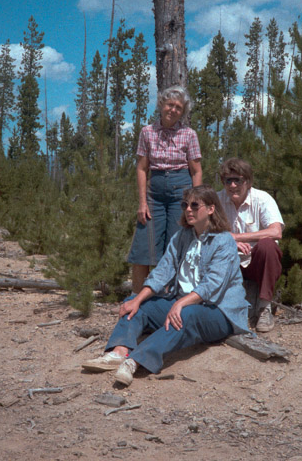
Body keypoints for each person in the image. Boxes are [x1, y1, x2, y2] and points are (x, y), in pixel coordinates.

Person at [83, 185, 249, 387]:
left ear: (211, 209)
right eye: (185, 205)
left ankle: (134, 361)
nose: (188, 209)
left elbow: (212, 285)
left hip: (219, 312)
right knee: (135, 304)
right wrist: (137, 299)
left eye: (195, 205)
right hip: (184, 303)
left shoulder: (223, 241)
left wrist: (180, 304)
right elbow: (163, 271)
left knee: (185, 314)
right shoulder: (182, 237)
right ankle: (118, 352)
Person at [127, 85, 202, 294]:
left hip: (181, 192)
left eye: (179, 107)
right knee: (144, 246)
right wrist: (142, 202)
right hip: (155, 194)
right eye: (170, 104)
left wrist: (194, 204)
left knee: (177, 245)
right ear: (161, 105)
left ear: (183, 112)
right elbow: (142, 168)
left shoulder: (189, 135)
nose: (173, 110)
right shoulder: (147, 132)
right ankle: (136, 298)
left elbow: (196, 171)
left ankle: (171, 298)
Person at [218, 157, 284, 333]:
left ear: (247, 181)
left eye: (237, 180)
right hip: (230, 263)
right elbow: (205, 231)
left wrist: (239, 237)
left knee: (268, 246)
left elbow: (276, 231)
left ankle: (264, 308)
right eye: (228, 180)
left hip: (256, 262)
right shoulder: (217, 201)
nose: (232, 186)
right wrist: (228, 239)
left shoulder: (262, 199)